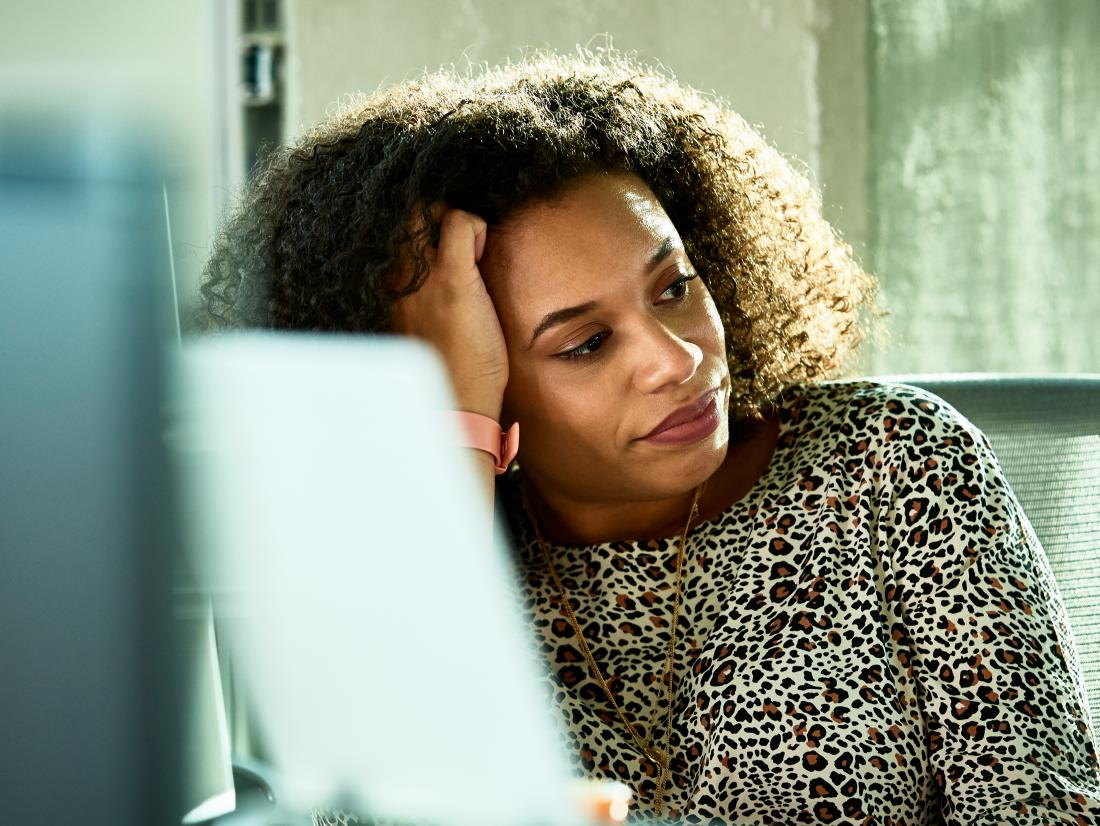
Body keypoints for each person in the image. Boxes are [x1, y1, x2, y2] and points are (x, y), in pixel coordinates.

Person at [197, 47, 1100, 824]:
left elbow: (1046, 807)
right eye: (586, 344)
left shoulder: (895, 463)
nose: (675, 358)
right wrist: (456, 440)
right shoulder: (417, 562)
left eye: (674, 287)